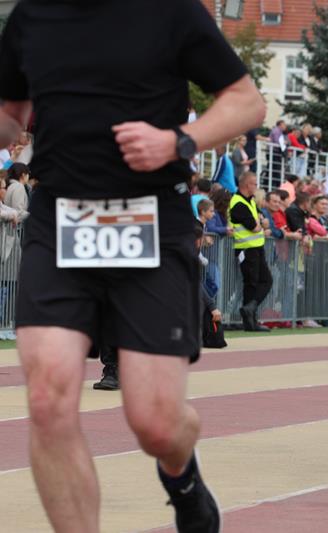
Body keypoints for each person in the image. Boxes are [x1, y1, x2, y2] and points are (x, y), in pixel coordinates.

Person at [0, 1, 266, 531]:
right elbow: (10, 113)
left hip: (152, 222)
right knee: (47, 400)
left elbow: (246, 102)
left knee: (156, 423)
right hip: (60, 221)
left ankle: (183, 480)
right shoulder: (32, 16)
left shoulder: (170, 12)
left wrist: (177, 141)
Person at [229, 172, 272, 332]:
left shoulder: (250, 201)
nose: (256, 186)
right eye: (255, 184)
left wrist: (261, 223)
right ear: (247, 185)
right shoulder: (237, 203)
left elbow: (263, 221)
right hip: (246, 248)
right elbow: (255, 227)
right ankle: (250, 321)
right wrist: (261, 223)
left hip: (256, 247)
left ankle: (250, 311)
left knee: (264, 281)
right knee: (251, 283)